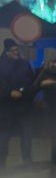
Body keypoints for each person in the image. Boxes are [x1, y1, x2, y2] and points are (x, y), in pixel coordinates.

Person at [0, 38, 35, 169]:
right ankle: (1, 162)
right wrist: (9, 93)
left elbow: (31, 82)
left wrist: (24, 93)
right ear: (7, 51)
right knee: (4, 136)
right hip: (6, 107)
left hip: (24, 106)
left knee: (26, 134)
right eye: (13, 51)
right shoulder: (0, 64)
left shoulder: (24, 64)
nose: (16, 53)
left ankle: (27, 161)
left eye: (17, 50)